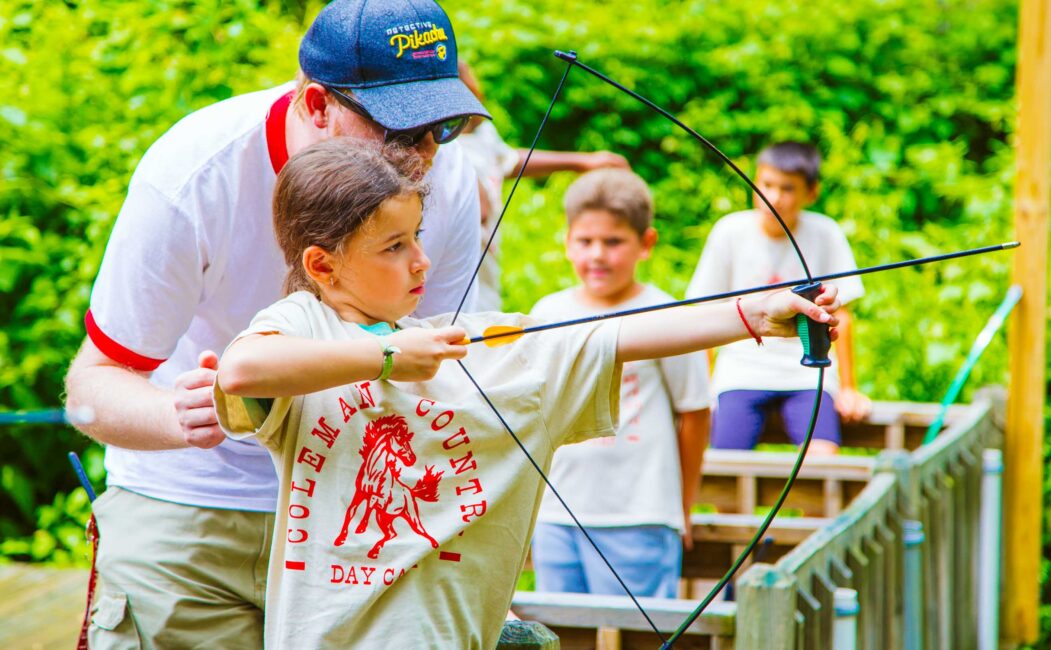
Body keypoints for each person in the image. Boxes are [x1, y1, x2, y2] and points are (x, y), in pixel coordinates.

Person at [212, 137, 840, 648]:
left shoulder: (466, 351)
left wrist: (752, 313)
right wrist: (387, 356)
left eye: (419, 238)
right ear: (323, 266)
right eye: (395, 246)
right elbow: (242, 369)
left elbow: (617, 335)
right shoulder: (307, 328)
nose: (422, 262)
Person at [63, 1, 489, 646]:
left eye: (442, 125)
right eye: (398, 130)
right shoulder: (196, 173)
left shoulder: (442, 177)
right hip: (193, 513)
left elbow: (434, 370)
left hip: (356, 510)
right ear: (317, 105)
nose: (424, 153)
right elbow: (93, 386)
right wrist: (176, 419)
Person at [528, 169, 710, 598]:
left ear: (646, 243)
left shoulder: (667, 314)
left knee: (636, 636)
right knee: (563, 634)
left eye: (614, 242)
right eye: (585, 241)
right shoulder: (547, 312)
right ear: (567, 240)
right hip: (557, 513)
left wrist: (680, 508)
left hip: (640, 514)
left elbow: (695, 411)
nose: (598, 255)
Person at [686, 142, 869, 456]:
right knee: (726, 463)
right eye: (767, 185)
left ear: (811, 193)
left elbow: (844, 315)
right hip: (740, 370)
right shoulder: (729, 231)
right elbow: (703, 312)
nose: (774, 197)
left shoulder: (826, 233)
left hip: (808, 372)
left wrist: (850, 389)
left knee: (822, 462)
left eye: (788, 188)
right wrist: (702, 389)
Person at [457, 61, 630, 310]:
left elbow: (508, 160)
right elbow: (479, 211)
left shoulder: (481, 132)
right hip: (452, 284)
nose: (475, 91)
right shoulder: (434, 147)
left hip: (484, 279)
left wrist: (582, 162)